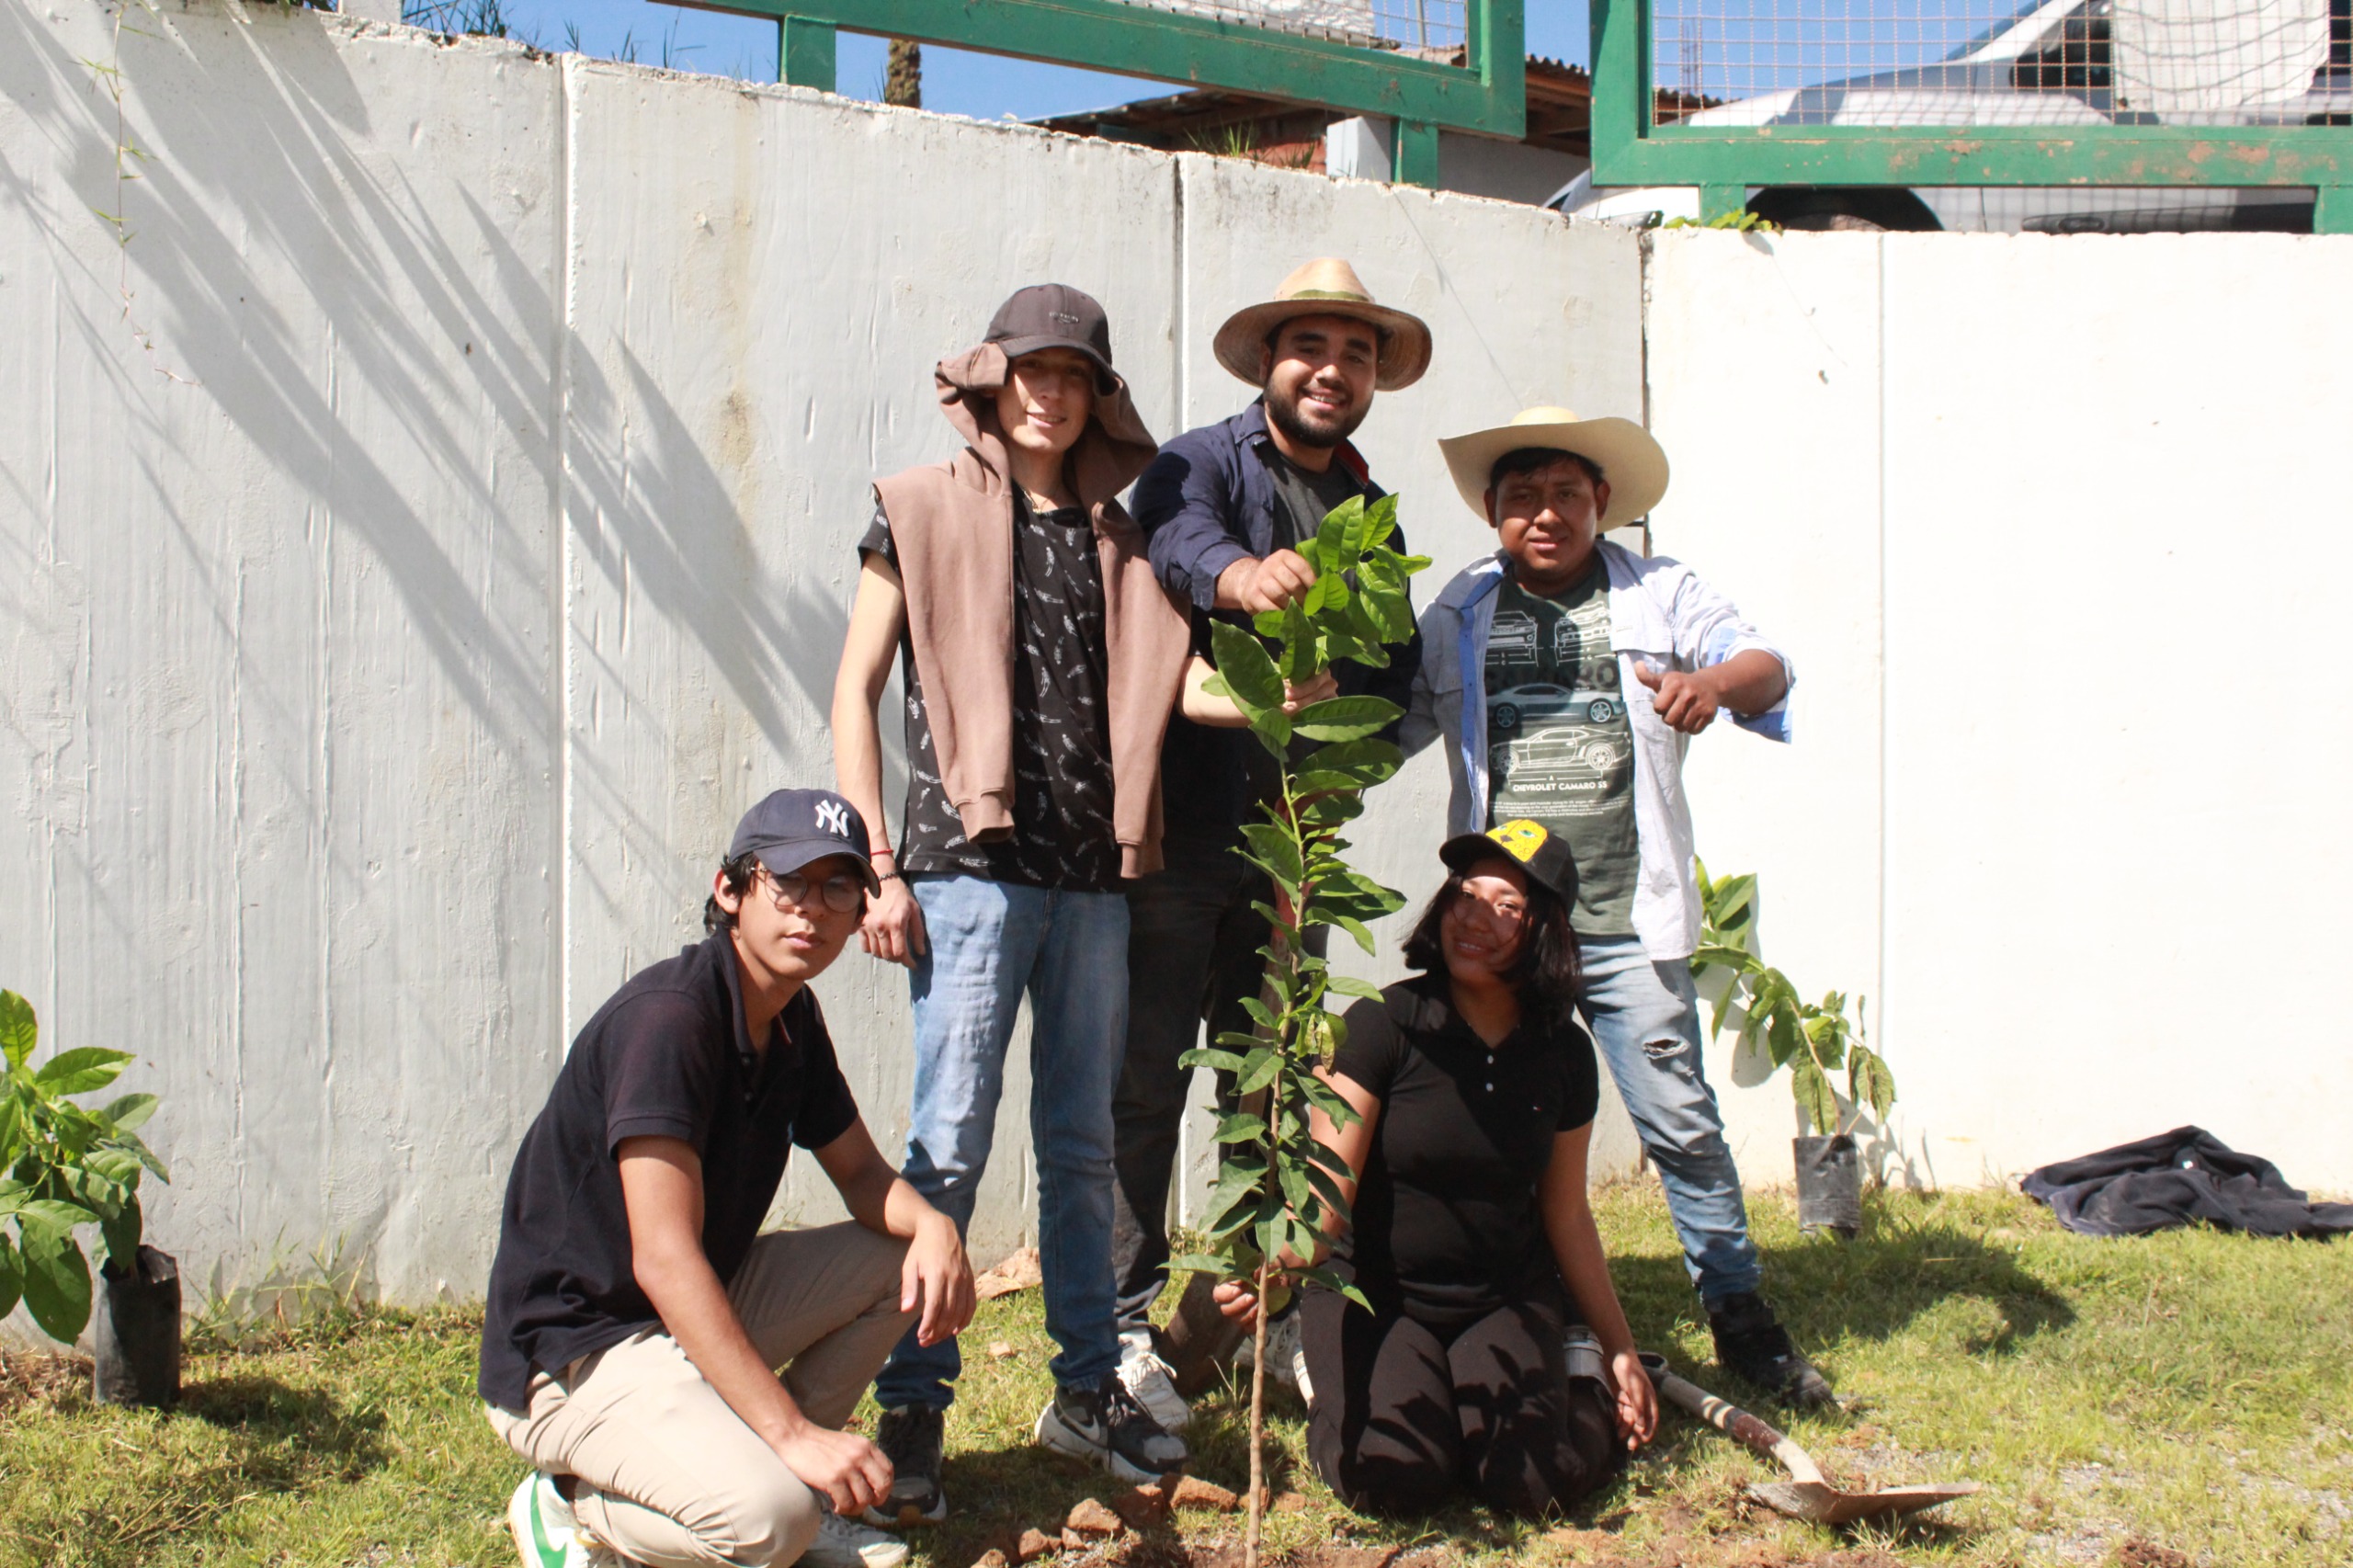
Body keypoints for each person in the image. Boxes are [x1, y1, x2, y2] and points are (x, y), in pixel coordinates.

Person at [831, 284, 1207, 1523]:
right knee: (949, 1136)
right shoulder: (919, 508)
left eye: (1076, 373)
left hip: (1095, 880)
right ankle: (915, 1405)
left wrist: (1294, 696)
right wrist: (876, 864)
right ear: (992, 378)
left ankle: (1088, 1388)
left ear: (1101, 393)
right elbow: (855, 692)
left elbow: (1183, 690)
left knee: (1085, 1143)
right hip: (970, 874)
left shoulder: (1129, 538)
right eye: (1030, 369)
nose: (1050, 392)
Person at [1402, 405, 1834, 1406]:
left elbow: (1765, 661)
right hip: (1502, 930)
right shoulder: (1461, 608)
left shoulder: (1659, 590)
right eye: (1521, 497)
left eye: (1564, 493)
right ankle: (1523, 1300)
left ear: (1600, 502)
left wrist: (1711, 684)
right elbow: (1404, 720)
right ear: (1492, 512)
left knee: (1679, 1121)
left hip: (1624, 923)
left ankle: (1740, 1315)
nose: (1543, 514)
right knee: (1490, 1119)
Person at [480, 788, 974, 1568]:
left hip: (677, 1315)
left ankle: (799, 1496)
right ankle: (572, 1506)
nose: (811, 910)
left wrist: (937, 1227)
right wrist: (794, 1434)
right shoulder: (672, 1022)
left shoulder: (790, 1020)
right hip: (576, 1350)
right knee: (768, 1523)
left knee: (894, 1262)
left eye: (837, 887)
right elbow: (664, 1258)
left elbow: (862, 1176)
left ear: (858, 911)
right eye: (788, 883)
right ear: (731, 891)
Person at [1110, 259, 1431, 1429]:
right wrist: (1238, 577)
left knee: (1274, 1075)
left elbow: (1393, 677)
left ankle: (1264, 1308)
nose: (1330, 371)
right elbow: (1168, 529)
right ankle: (1128, 1316)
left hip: (1290, 847)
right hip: (1183, 828)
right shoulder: (1202, 460)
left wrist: (1349, 746)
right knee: (1144, 1079)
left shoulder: (1367, 511)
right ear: (1266, 362)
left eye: (1354, 355)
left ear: (1371, 381)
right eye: (1310, 347)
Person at [1213, 822, 1659, 1517]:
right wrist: (1284, 1267)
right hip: (1376, 1296)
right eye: (1464, 894)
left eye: (1507, 906)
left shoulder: (1564, 1055)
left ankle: (1580, 1385)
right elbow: (1329, 1194)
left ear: (1545, 932)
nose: (1474, 918)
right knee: (1393, 1478)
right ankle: (1317, 1370)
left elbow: (1566, 1213)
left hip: (1501, 1299)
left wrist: (1619, 1347)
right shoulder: (1383, 1024)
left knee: (1534, 1486)